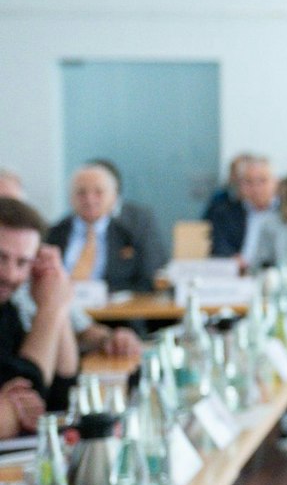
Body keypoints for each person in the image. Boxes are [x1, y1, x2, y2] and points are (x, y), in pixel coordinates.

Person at [0, 197, 73, 424]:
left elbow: (60, 393)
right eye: (0, 259)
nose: (10, 275)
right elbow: (29, 388)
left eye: (23, 263)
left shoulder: (6, 310)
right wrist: (50, 309)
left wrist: (56, 302)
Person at [46, 163, 165, 295]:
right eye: (81, 192)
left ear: (114, 197)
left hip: (116, 312)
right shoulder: (53, 233)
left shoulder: (133, 233)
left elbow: (149, 280)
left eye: (98, 192)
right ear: (70, 197)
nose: (89, 199)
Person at [208, 155, 278, 259]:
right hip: (237, 272)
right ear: (240, 185)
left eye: (262, 181)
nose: (256, 188)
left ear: (275, 182)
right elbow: (219, 247)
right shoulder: (225, 212)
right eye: (249, 182)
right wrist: (233, 259)